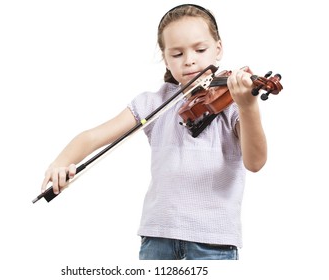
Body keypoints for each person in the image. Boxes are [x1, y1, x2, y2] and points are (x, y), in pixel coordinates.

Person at [40, 4, 267, 260]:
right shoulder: (153, 102)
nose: (190, 59)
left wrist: (248, 108)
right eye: (177, 53)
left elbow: (255, 162)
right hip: (157, 237)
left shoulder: (234, 103)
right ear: (165, 58)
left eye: (200, 49)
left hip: (213, 242)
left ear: (218, 48)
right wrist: (61, 162)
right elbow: (93, 136)